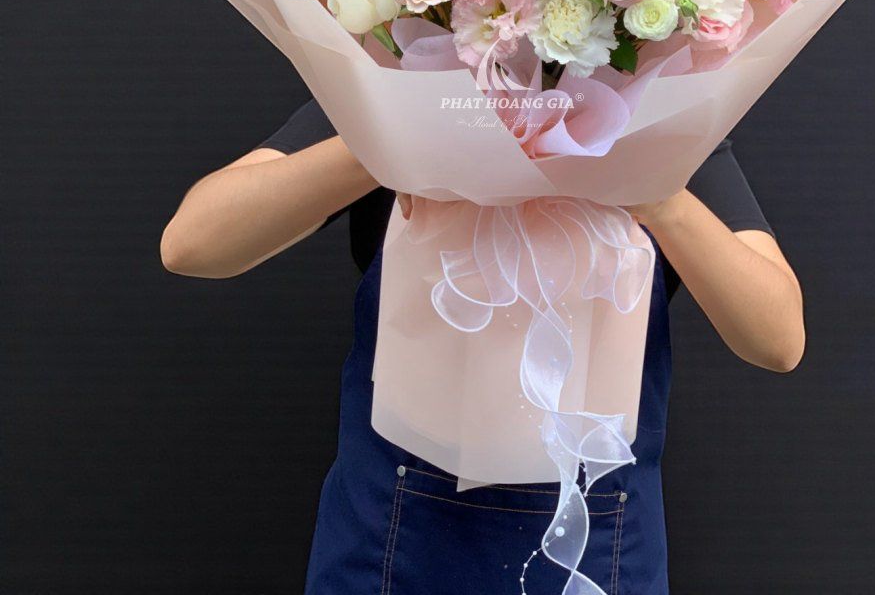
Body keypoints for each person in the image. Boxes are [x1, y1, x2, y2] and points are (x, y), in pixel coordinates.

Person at [161, 99, 804, 594]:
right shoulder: (393, 88)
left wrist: (660, 197)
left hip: (593, 534)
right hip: (391, 532)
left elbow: (778, 339)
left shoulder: (656, 116)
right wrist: (387, 141)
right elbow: (192, 243)